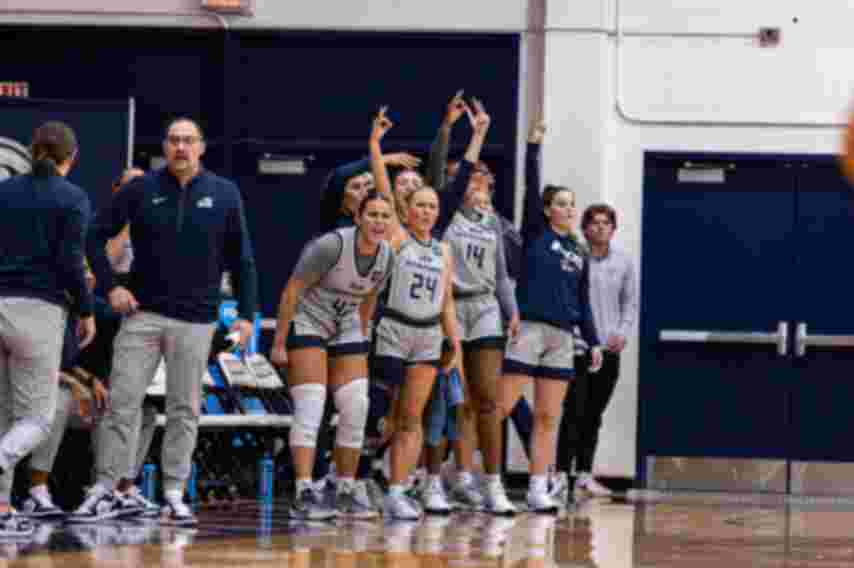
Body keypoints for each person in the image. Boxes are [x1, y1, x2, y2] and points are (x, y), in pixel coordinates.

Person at [71, 117, 258, 526]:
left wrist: (246, 316)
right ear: (164, 147)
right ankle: (106, 488)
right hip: (142, 316)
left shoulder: (225, 193)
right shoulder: (141, 188)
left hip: (197, 321)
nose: (180, 148)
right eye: (174, 140)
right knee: (121, 405)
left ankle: (173, 491)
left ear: (202, 148)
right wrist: (110, 288)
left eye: (188, 141)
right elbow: (92, 236)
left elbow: (242, 259)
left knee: (184, 409)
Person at [488, 121, 603, 515]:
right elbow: (530, 187)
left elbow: (583, 300)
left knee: (549, 416)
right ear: (547, 209)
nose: (568, 209)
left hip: (562, 336)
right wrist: (533, 148)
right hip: (530, 329)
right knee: (500, 407)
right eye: (560, 203)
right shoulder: (535, 233)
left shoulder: (580, 251)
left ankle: (539, 486)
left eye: (572, 204)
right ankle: (485, 482)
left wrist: (594, 340)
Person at [271, 190, 394, 521]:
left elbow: (369, 296)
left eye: (385, 216)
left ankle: (345, 489)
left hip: (346, 326)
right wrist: (280, 343)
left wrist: (363, 333)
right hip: (308, 321)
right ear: (358, 217)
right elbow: (292, 289)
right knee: (311, 403)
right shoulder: (331, 245)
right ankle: (303, 491)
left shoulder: (386, 256)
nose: (379, 222)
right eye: (373, 215)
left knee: (357, 404)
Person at [0, 121, 96, 537]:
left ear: (32, 151)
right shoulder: (72, 197)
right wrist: (87, 310)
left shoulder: (2, 192)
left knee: (3, 415)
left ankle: (2, 507)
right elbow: (72, 261)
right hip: (38, 310)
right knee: (37, 418)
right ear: (70, 159)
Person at [368, 107, 461, 519]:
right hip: (393, 329)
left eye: (431, 207)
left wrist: (454, 342)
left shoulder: (443, 250)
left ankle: (397, 490)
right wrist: (376, 145)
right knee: (384, 414)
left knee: (412, 416)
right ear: (408, 211)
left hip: (427, 334)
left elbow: (447, 302)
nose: (425, 211)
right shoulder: (398, 235)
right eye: (419, 205)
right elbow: (385, 192)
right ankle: (350, 470)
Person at [555, 204, 637, 499]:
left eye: (606, 223)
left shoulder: (625, 263)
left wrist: (622, 332)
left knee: (593, 415)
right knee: (572, 411)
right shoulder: (574, 258)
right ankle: (562, 474)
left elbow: (630, 303)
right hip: (577, 347)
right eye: (594, 223)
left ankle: (584, 476)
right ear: (585, 228)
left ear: (613, 229)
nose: (600, 227)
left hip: (608, 348)